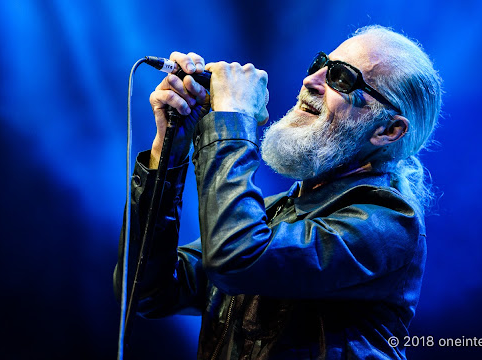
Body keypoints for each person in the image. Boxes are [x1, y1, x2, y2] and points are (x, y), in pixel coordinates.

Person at [114, 24, 443, 359]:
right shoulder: (272, 214)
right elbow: (144, 291)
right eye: (320, 65)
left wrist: (232, 119)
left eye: (341, 78)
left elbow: (238, 258)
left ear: (388, 130)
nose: (311, 81)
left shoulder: (388, 221)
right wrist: (168, 153)